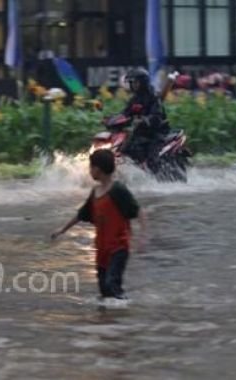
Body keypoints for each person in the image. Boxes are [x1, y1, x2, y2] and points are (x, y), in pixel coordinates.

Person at [51, 149, 146, 300]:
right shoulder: (95, 192)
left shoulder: (118, 190)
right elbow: (82, 214)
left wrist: (142, 236)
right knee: (104, 291)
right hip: (102, 249)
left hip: (119, 248)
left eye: (90, 167)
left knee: (111, 285)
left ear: (97, 169)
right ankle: (111, 319)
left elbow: (139, 211)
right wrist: (62, 230)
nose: (89, 171)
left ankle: (125, 312)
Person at [121, 68, 170, 171]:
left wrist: (145, 120)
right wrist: (112, 119)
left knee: (152, 158)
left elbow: (156, 116)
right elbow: (125, 113)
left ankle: (155, 177)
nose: (133, 85)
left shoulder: (154, 97)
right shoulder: (135, 98)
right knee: (124, 149)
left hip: (156, 133)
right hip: (140, 132)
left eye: (135, 82)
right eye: (131, 83)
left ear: (143, 82)